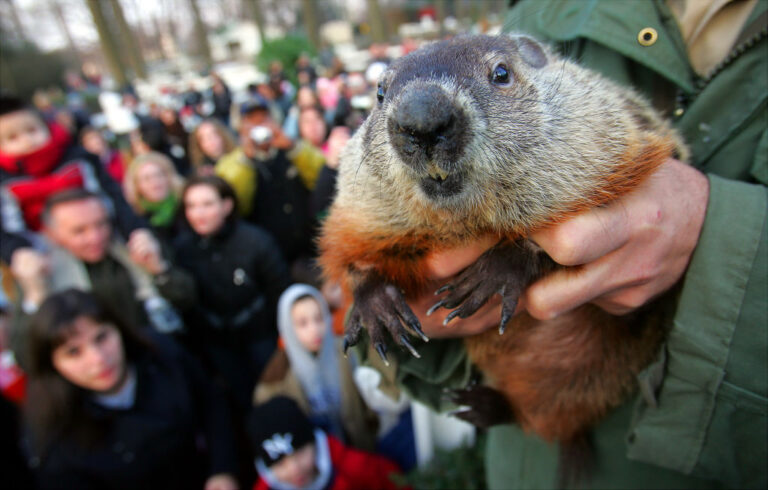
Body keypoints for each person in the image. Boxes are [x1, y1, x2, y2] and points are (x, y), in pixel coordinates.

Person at [368, 2, 767, 489]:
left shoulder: (577, 112)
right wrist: (380, 304)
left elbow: (621, 152)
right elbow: (355, 248)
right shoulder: (536, 9)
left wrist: (715, 237)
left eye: (497, 75)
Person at [22, 289, 238, 490]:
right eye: (74, 352)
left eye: (101, 337)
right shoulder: (53, 437)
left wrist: (223, 470)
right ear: (53, 365)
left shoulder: (161, 353)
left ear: (119, 329)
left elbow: (212, 402)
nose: (98, 359)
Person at [10, 189, 194, 360]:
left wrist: (159, 269)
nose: (95, 237)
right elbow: (26, 356)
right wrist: (34, 297)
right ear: (52, 234)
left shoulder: (134, 249)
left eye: (101, 224)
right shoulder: (40, 275)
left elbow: (188, 301)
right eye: (79, 231)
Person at [0, 93, 151, 285]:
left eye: (32, 130)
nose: (27, 141)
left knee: (136, 270)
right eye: (12, 138)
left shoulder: (79, 160)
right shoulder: (6, 184)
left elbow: (114, 197)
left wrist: (134, 229)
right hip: (46, 252)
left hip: (104, 235)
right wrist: (17, 251)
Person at [174, 175, 291, 409]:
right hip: (218, 344)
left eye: (207, 204)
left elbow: (279, 290)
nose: (199, 213)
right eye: (191, 206)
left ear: (226, 205)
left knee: (276, 395)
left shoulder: (256, 241)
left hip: (261, 336)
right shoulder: (183, 249)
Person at [254, 284, 377, 451]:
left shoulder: (347, 351)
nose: (314, 330)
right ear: (287, 327)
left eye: (319, 318)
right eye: (302, 323)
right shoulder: (277, 378)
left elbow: (373, 407)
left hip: (363, 450)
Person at [215, 97, 319, 280]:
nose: (258, 125)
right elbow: (238, 202)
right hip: (273, 256)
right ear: (240, 128)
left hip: (311, 246)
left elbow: (320, 178)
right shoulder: (233, 163)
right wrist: (247, 158)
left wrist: (293, 147)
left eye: (263, 118)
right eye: (251, 121)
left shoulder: (293, 148)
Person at [247, 396, 403, 490]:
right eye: (280, 463)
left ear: (314, 443)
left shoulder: (353, 466)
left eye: (300, 453)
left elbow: (396, 481)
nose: (294, 468)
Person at [122, 152, 186, 244]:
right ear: (137, 186)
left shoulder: (185, 205)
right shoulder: (136, 219)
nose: (155, 182)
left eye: (159, 175)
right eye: (146, 178)